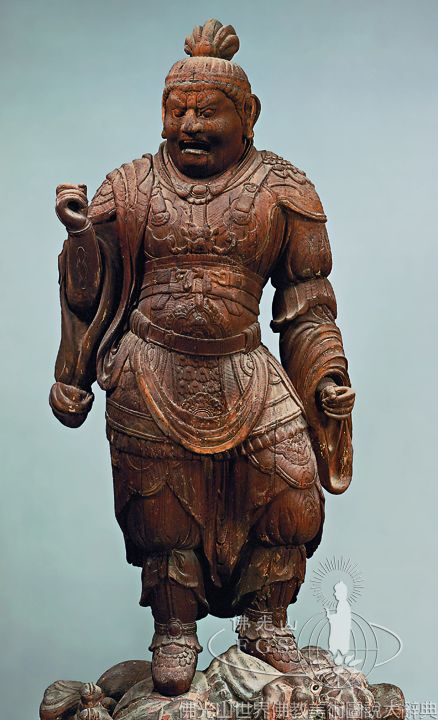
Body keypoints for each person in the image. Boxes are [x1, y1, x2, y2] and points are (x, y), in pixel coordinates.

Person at [50, 19, 355, 696]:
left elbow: (308, 297)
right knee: (161, 510)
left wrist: (327, 373)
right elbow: (90, 290)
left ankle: (266, 619)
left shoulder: (284, 189)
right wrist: (80, 237)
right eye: (176, 110)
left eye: (206, 111)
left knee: (289, 488)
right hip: (150, 369)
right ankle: (173, 626)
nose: (188, 124)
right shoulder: (130, 185)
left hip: (245, 369)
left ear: (248, 115)